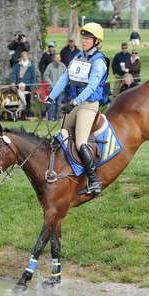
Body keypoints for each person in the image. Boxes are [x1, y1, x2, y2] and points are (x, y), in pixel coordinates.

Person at [45, 22, 108, 195]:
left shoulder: (99, 61)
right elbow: (65, 78)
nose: (84, 41)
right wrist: (50, 97)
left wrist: (74, 102)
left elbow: (92, 86)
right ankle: (68, 171)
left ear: (96, 41)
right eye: (84, 38)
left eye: (88, 38)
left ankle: (94, 181)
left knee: (80, 142)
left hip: (88, 105)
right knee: (62, 134)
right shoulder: (79, 56)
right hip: (76, 103)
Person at [11, 51, 37, 116]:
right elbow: (14, 74)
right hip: (19, 84)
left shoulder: (31, 66)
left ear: (27, 57)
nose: (24, 58)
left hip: (28, 85)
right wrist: (13, 82)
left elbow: (33, 77)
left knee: (28, 99)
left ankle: (27, 112)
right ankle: (19, 112)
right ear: (21, 57)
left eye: (25, 56)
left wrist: (32, 87)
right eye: (23, 56)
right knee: (18, 98)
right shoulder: (17, 65)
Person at [43, 53, 67, 120]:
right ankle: (50, 119)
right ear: (53, 58)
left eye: (58, 58)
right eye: (56, 58)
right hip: (51, 89)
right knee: (50, 104)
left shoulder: (62, 66)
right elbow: (45, 75)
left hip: (60, 90)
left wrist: (62, 85)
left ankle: (57, 119)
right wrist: (51, 83)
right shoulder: (50, 66)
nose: (57, 59)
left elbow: (66, 76)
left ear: (60, 58)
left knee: (59, 105)